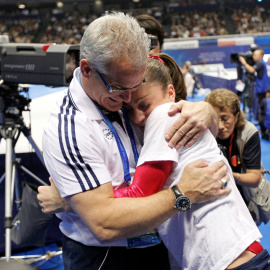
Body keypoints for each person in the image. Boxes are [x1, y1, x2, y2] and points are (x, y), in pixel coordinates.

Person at [39, 12, 229, 270]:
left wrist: (206, 113)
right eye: (119, 89)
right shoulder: (69, 128)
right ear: (86, 69)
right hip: (106, 256)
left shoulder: (125, 88)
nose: (129, 100)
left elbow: (210, 131)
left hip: (160, 243)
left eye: (136, 85)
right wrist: (184, 193)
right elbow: (105, 223)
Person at [112, 54, 267, 269]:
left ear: (170, 92)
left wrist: (79, 200)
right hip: (237, 252)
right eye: (129, 110)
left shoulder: (163, 115)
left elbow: (140, 194)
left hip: (228, 258)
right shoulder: (168, 118)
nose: (137, 117)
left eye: (144, 105)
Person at [205, 89, 263, 222]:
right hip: (213, 197)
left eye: (225, 119)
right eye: (215, 118)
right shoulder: (204, 130)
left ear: (236, 117)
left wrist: (229, 176)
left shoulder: (248, 132)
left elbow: (254, 178)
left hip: (243, 195)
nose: (219, 126)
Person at [239, 48, 270, 119]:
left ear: (261, 56)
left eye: (255, 55)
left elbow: (251, 70)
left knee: (263, 109)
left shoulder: (260, 63)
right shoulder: (265, 63)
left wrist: (244, 62)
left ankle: (263, 125)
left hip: (262, 90)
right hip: (266, 89)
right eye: (253, 55)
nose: (253, 57)